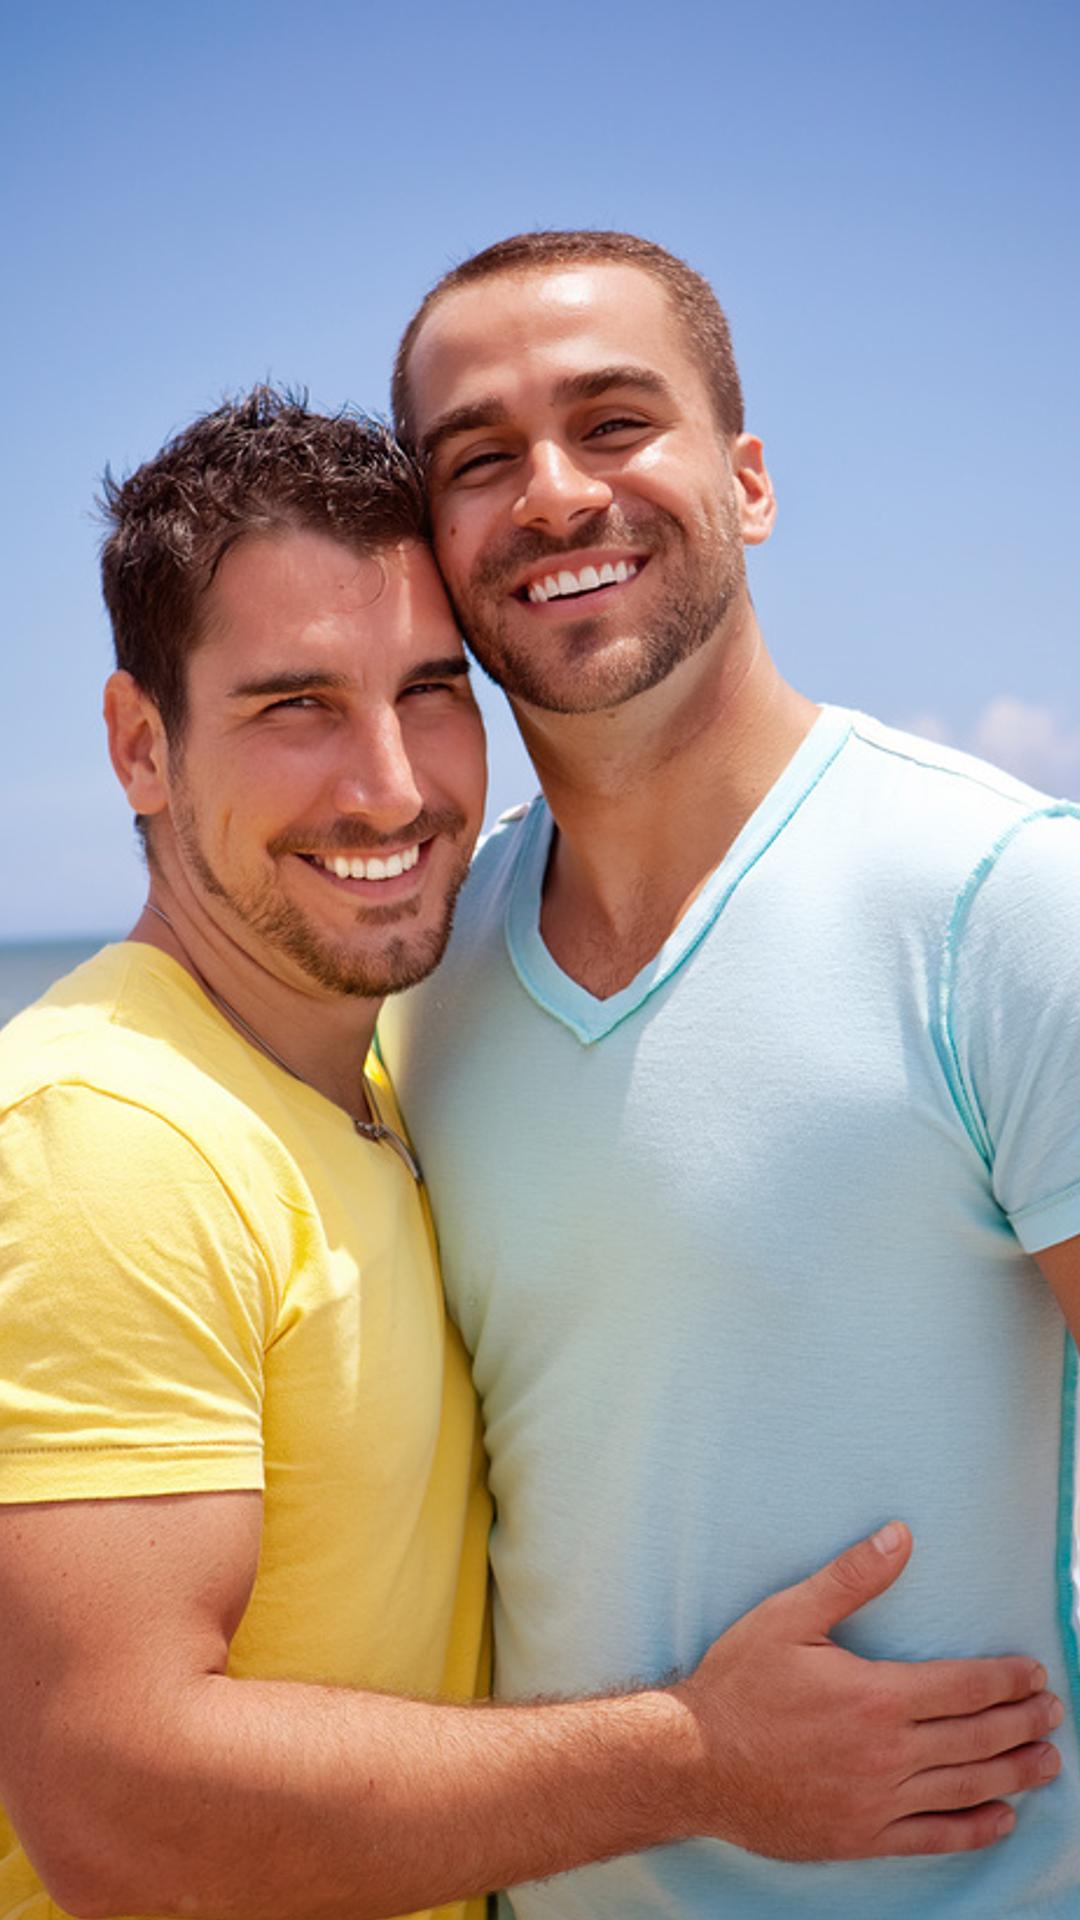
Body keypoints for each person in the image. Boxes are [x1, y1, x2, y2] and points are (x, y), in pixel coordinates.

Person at [2, 388, 1058, 1920]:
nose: (391, 785)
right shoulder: (106, 1136)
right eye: (295, 706)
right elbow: (117, 1808)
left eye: (431, 691)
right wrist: (700, 1761)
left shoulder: (389, 1070)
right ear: (138, 746)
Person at [380, 231, 1080, 1917]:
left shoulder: (1003, 901)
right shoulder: (424, 977)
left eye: (615, 423)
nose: (554, 494)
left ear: (748, 483)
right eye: (478, 460)